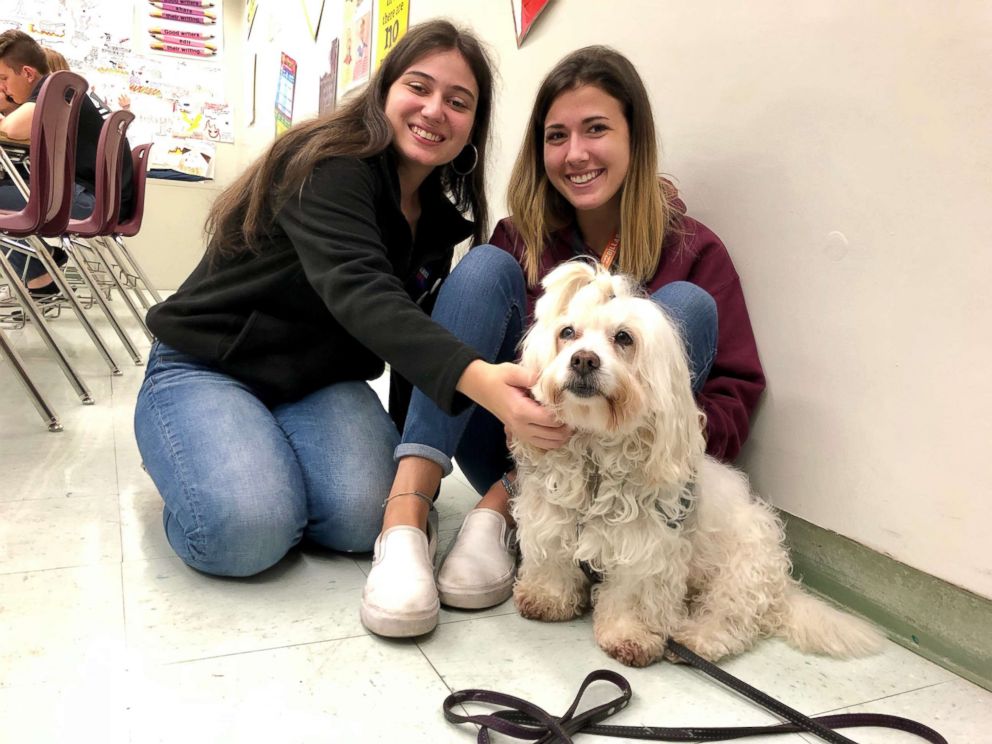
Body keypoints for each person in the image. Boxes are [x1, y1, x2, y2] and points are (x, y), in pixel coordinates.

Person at [133, 21, 559, 586]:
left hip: (318, 382)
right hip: (209, 365)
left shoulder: (436, 220)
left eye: (459, 102)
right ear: (384, 90)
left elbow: (412, 340)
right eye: (419, 86)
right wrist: (483, 382)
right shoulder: (326, 164)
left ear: (473, 128)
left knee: (366, 520)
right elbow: (364, 293)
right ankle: (194, 460)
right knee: (245, 531)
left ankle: (256, 452)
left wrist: (417, 452)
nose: (435, 110)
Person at [360, 46, 765, 637]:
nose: (575, 154)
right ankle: (430, 513)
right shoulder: (517, 237)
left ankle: (546, 526)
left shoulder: (695, 251)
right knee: (481, 271)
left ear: (635, 138)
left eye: (596, 129)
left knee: (685, 309)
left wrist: (649, 433)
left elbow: (734, 391)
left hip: (634, 479)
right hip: (524, 456)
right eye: (556, 135)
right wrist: (523, 416)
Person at [0, 31, 136, 293]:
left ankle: (40, 272)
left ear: (28, 73)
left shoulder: (56, 87)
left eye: (4, 78)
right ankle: (40, 273)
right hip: (101, 199)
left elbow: (14, 129)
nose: (3, 87)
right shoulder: (60, 89)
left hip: (93, 202)